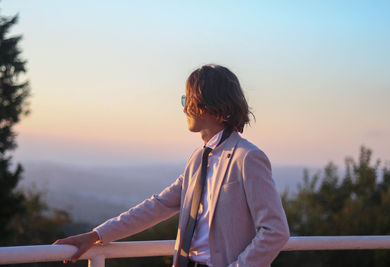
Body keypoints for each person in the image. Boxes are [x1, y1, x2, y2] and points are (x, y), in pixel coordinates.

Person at [54, 64, 290, 267]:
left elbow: (275, 230)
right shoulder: (198, 159)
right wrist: (95, 235)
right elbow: (156, 206)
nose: (184, 107)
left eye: (188, 99)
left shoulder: (248, 157)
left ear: (209, 105)